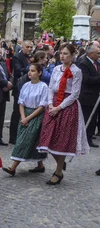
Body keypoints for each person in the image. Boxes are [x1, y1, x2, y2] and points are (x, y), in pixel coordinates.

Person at [37, 44, 90, 185]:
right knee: (46, 137)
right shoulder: (56, 69)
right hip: (53, 103)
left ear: (72, 56)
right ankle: (60, 163)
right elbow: (50, 88)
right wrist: (50, 104)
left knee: (62, 140)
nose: (62, 56)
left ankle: (58, 171)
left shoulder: (76, 71)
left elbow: (75, 93)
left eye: (66, 53)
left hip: (67, 107)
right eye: (61, 53)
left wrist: (59, 107)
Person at [2, 63, 49, 176]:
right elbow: (21, 102)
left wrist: (29, 117)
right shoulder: (26, 85)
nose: (30, 72)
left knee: (26, 140)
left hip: (36, 115)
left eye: (33, 70)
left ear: (39, 73)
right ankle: (40, 165)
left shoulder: (43, 87)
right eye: (29, 70)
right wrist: (23, 117)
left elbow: (42, 106)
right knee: (32, 140)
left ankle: (13, 167)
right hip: (25, 114)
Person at [76, 44, 100, 148]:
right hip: (86, 96)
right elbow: (86, 79)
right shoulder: (83, 63)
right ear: (91, 54)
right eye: (97, 53)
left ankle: (89, 137)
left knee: (93, 117)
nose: (99, 55)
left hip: (95, 95)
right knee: (86, 117)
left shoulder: (96, 63)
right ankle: (83, 139)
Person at [9, 40, 33, 144]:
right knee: (17, 112)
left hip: (30, 88)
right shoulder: (17, 57)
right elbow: (18, 71)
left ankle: (23, 135)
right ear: (22, 47)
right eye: (27, 47)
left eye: (31, 47)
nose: (29, 49)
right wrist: (30, 69)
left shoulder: (31, 58)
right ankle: (13, 137)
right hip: (19, 88)